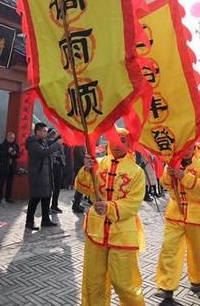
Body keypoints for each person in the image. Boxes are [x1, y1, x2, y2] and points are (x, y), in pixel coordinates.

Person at [75, 127, 146, 305]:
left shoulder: (137, 171)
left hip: (123, 234)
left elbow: (133, 203)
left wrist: (109, 207)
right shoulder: (98, 163)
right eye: (115, 140)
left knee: (125, 285)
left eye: (123, 140)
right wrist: (86, 169)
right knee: (93, 282)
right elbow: (82, 187)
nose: (118, 144)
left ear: (130, 144)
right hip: (96, 230)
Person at [155, 144, 200, 299]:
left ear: (194, 147)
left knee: (197, 250)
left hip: (196, 213)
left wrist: (184, 176)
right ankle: (166, 286)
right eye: (183, 146)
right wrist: (169, 175)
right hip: (174, 212)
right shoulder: (171, 162)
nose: (186, 149)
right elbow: (164, 184)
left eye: (189, 146)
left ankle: (197, 280)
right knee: (168, 248)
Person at [25, 123, 62, 230]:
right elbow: (44, 152)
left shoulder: (42, 141)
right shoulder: (33, 143)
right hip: (38, 175)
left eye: (46, 131)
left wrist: (58, 137)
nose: (46, 133)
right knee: (35, 199)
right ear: (38, 131)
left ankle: (45, 220)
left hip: (45, 175)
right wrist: (58, 143)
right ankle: (29, 222)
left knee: (46, 198)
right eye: (44, 131)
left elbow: (49, 143)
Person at [0, 132, 20, 204]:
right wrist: (7, 152)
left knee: (9, 183)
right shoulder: (2, 145)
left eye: (13, 138)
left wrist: (14, 153)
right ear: (7, 137)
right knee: (1, 183)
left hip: (11, 167)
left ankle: (8, 197)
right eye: (10, 138)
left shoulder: (15, 145)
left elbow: (18, 155)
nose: (12, 139)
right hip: (3, 167)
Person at [48, 128, 66, 213]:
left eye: (55, 133)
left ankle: (54, 205)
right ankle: (46, 207)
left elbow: (62, 154)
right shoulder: (47, 142)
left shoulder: (60, 144)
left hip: (59, 167)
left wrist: (63, 164)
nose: (54, 134)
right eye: (52, 132)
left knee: (57, 188)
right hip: (51, 167)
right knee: (49, 188)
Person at [71, 145, 87, 214]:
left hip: (80, 168)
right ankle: (76, 205)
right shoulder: (78, 146)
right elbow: (81, 157)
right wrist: (87, 157)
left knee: (80, 188)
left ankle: (76, 203)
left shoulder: (81, 146)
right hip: (79, 168)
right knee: (80, 188)